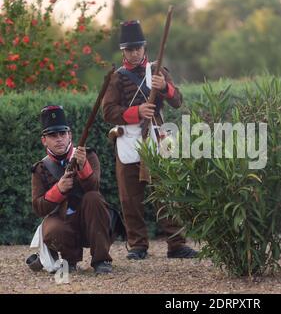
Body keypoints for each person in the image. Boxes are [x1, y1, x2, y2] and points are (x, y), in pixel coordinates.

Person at [102, 20, 197, 260]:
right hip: (128, 139)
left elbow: (178, 101)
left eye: (138, 48)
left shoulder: (158, 71)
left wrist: (165, 86)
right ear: (123, 51)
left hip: (157, 136)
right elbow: (108, 112)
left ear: (144, 48)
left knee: (166, 191)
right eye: (129, 49)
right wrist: (136, 113)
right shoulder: (116, 77)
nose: (134, 53)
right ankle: (137, 245)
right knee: (129, 197)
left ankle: (177, 244)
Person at [31, 105, 114, 274]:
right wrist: (58, 190)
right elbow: (38, 207)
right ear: (44, 140)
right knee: (52, 228)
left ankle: (101, 260)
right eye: (53, 135)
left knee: (93, 198)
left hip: (90, 219)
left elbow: (94, 188)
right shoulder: (40, 168)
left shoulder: (88, 155)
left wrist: (83, 166)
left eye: (62, 134)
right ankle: (70, 259)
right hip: (63, 221)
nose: (59, 139)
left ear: (70, 135)